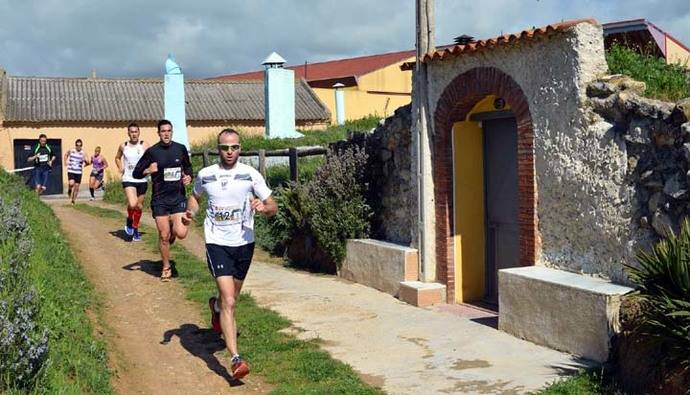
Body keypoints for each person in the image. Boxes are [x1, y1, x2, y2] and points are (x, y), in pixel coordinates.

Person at [184, 128, 277, 380]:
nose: (229, 152)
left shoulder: (250, 174)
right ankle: (235, 359)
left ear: (240, 148)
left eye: (234, 147)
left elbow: (273, 205)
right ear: (218, 149)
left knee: (230, 298)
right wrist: (190, 212)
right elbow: (194, 197)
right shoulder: (206, 175)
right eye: (225, 148)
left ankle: (214, 307)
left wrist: (262, 206)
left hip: (244, 243)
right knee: (230, 301)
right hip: (216, 243)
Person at [132, 119, 192, 281]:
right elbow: (136, 173)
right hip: (160, 200)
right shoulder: (152, 152)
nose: (166, 133)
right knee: (164, 236)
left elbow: (188, 167)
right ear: (158, 133)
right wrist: (148, 170)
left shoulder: (180, 149)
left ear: (172, 132)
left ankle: (174, 226)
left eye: (169, 131)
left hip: (178, 197)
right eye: (163, 131)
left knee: (181, 233)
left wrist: (188, 177)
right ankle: (166, 267)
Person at [115, 123, 150, 241]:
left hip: (142, 179)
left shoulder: (144, 145)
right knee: (133, 204)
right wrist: (120, 167)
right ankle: (130, 219)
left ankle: (135, 228)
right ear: (128, 133)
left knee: (139, 207)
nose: (134, 134)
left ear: (139, 132)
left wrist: (149, 169)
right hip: (128, 179)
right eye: (132, 132)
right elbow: (117, 158)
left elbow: (152, 158)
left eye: (136, 132)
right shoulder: (123, 146)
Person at [64, 139, 90, 204]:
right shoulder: (71, 150)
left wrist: (85, 161)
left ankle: (73, 201)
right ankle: (69, 189)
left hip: (78, 172)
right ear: (75, 145)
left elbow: (88, 162)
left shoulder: (83, 153)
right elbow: (66, 155)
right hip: (71, 170)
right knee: (71, 183)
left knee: (77, 187)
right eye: (77, 145)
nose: (78, 147)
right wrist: (65, 162)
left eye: (80, 145)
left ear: (81, 146)